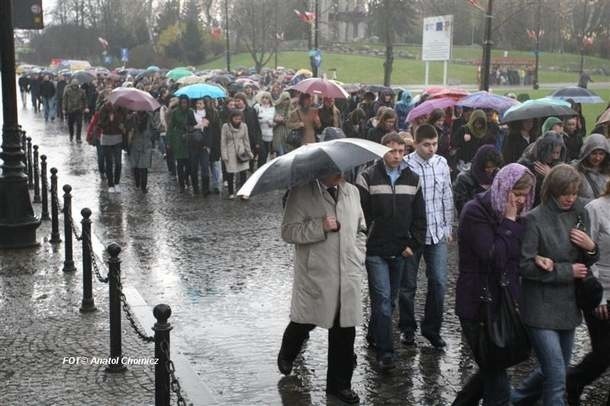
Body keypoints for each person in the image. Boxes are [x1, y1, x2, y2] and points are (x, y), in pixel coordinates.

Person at [512, 164, 599, 406]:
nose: (570, 198)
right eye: (565, 193)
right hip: (539, 306)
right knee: (557, 373)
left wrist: (591, 247)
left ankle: (514, 399)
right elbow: (524, 266)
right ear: (552, 191)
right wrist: (564, 271)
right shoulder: (534, 219)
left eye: (574, 192)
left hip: (568, 307)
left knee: (553, 368)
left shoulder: (581, 210)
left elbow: (588, 258)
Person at [277, 173, 366, 405]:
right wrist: (320, 226)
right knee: (306, 320)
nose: (340, 171)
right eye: (333, 167)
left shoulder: (352, 191)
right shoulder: (301, 192)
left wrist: (359, 254)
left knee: (344, 330)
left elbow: (361, 228)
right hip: (317, 274)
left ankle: (340, 386)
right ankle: (288, 350)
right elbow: (288, 231)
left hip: (348, 273)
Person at [452, 163, 535, 406]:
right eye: (517, 194)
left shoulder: (521, 215)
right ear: (503, 188)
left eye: (525, 195)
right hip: (478, 304)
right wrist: (509, 222)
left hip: (505, 300)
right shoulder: (475, 212)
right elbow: (495, 257)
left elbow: (519, 254)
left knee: (492, 364)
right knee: (497, 378)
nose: (521, 200)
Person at [356, 132, 426, 370]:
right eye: (392, 151)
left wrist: (412, 245)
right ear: (381, 150)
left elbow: (419, 218)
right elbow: (360, 216)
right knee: (383, 300)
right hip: (375, 250)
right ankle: (385, 352)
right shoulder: (367, 178)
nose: (397, 156)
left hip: (400, 250)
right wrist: (363, 242)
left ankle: (376, 333)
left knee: (390, 301)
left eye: (401, 151)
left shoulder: (413, 179)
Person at [399, 124, 454, 348]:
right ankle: (408, 328)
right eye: (426, 145)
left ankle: (432, 329)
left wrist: (448, 227)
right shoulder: (406, 165)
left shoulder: (441, 163)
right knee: (408, 285)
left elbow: (447, 195)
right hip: (413, 235)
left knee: (439, 282)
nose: (431, 149)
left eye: (435, 144)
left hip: (437, 232)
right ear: (415, 142)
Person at [566, 179, 610, 405]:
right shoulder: (595, 208)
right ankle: (571, 381)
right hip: (599, 291)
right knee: (603, 353)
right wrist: (600, 295)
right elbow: (586, 254)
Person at [518, 131, 567, 206]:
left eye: (558, 153)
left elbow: (564, 190)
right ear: (543, 150)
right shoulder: (526, 164)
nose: (555, 157)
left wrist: (550, 175)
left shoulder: (558, 165)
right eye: (552, 152)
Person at [453, 144, 503, 216]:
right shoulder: (464, 179)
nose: (491, 170)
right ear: (480, 164)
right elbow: (461, 207)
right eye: (488, 167)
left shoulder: (498, 175)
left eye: (493, 167)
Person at [220, 110, 252, 199]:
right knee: (230, 172)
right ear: (231, 118)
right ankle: (231, 192)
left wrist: (249, 152)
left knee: (243, 173)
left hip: (241, 151)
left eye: (239, 119)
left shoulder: (244, 126)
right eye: (235, 119)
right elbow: (223, 142)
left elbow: (246, 140)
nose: (237, 120)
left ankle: (243, 192)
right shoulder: (225, 126)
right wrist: (224, 155)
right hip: (230, 152)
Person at [167, 95, 196, 192]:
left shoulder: (190, 112)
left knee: (189, 164)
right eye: (182, 102)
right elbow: (171, 127)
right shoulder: (175, 112)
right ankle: (182, 185)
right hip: (178, 139)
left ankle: (186, 179)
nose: (184, 104)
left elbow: (194, 124)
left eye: (186, 103)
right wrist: (169, 141)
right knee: (180, 164)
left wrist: (189, 128)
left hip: (188, 139)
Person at [573, 133, 610, 202]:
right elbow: (571, 198)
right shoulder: (576, 172)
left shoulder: (607, 171)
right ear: (586, 153)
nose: (597, 158)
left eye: (601, 154)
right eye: (594, 153)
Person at [98, 102, 126, 192]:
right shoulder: (104, 108)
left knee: (118, 162)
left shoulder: (121, 108)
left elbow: (124, 121)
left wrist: (123, 125)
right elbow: (100, 124)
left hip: (118, 138)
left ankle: (117, 183)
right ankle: (110, 184)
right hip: (106, 138)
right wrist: (109, 120)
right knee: (109, 162)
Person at [189, 99, 212, 196]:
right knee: (194, 167)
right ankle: (195, 188)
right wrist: (196, 127)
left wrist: (209, 145)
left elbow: (211, 131)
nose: (199, 105)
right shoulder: (191, 113)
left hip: (204, 145)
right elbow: (187, 127)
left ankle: (205, 189)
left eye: (201, 103)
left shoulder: (208, 113)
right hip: (194, 144)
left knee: (205, 167)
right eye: (197, 103)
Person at [127, 111, 154, 193]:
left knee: (144, 167)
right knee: (135, 166)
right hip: (135, 144)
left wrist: (151, 135)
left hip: (146, 144)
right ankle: (137, 183)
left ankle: (143, 187)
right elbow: (129, 129)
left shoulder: (149, 117)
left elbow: (153, 128)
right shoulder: (133, 117)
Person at [255, 91, 275, 168]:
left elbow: (275, 120)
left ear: (270, 99)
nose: (264, 99)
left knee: (267, 154)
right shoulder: (257, 107)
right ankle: (259, 169)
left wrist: (272, 123)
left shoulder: (273, 108)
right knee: (262, 155)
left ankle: (264, 169)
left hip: (270, 134)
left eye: (266, 98)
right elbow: (254, 119)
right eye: (263, 97)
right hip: (260, 134)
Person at [272, 92, 291, 156]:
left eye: (288, 99)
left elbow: (291, 121)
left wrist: (286, 121)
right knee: (280, 153)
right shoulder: (275, 107)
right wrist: (278, 120)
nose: (286, 101)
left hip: (287, 133)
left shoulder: (290, 109)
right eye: (285, 99)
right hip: (277, 132)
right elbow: (272, 119)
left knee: (286, 154)